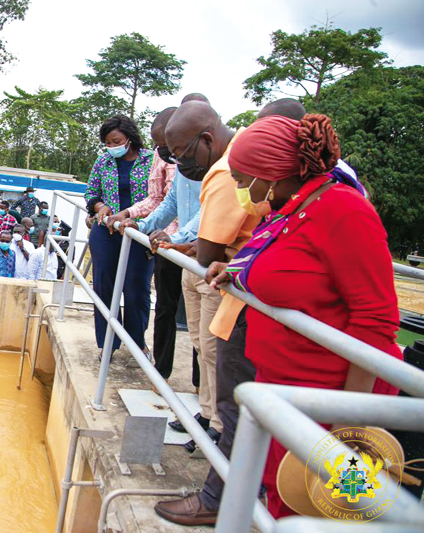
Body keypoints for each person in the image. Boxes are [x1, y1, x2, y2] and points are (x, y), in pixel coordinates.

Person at [206, 113, 403, 519]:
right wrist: (238, 274)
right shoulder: (290, 211)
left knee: (320, 510)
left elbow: (377, 319)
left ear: (273, 175)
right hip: (284, 392)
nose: (241, 189)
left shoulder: (344, 212)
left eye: (244, 179)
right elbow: (287, 269)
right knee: (283, 498)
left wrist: (348, 429)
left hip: (328, 404)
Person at [151, 101, 260, 525]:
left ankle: (219, 499)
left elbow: (213, 248)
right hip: (242, 293)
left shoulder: (227, 170)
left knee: (236, 401)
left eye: (179, 154)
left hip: (246, 304)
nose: (175, 164)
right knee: (209, 357)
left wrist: (211, 249)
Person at [108, 107, 188, 381]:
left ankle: (203, 390)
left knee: (201, 324)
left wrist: (178, 237)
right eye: (159, 146)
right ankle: (161, 370)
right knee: (165, 308)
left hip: (193, 245)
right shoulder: (162, 155)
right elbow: (162, 201)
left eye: (166, 146)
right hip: (163, 242)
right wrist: (134, 218)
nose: (163, 151)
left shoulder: (201, 161)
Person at [84, 114, 155, 360]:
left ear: (130, 138)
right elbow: (91, 192)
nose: (112, 146)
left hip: (138, 232)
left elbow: (158, 196)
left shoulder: (151, 160)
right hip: (106, 231)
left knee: (136, 289)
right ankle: (108, 343)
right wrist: (100, 207)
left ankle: (137, 344)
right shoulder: (103, 161)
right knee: (104, 285)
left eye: (117, 141)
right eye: (108, 142)